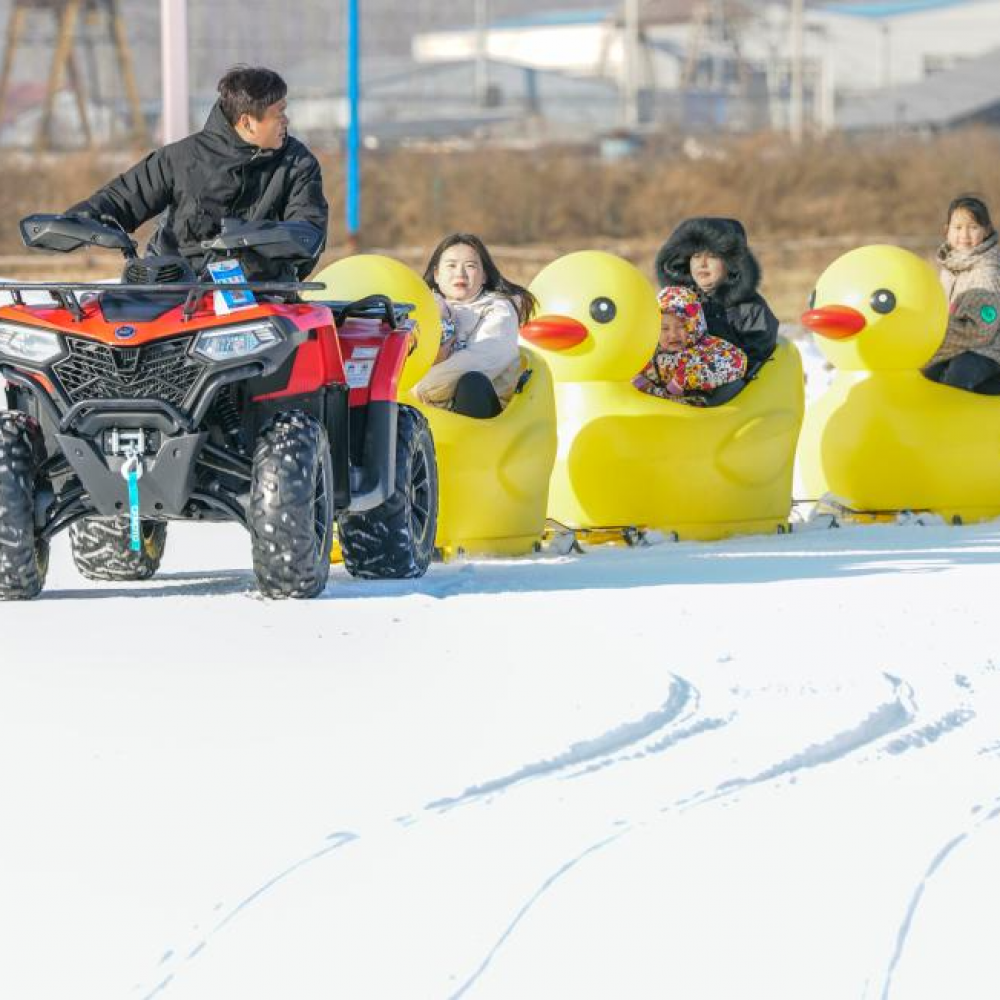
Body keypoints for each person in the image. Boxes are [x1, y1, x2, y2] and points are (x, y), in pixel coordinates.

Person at [65, 65, 328, 280]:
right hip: (173, 293)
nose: (286, 121)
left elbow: (308, 231)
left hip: (261, 298)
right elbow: (121, 199)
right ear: (247, 122)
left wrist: (250, 241)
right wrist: (73, 222)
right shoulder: (181, 158)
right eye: (278, 114)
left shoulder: (298, 163)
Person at [414, 234, 537, 419]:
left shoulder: (499, 309)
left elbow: (485, 358)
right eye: (451, 265)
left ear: (484, 276)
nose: (460, 273)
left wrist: (422, 387)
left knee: (472, 382)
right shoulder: (428, 309)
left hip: (482, 416)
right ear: (437, 275)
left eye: (470, 266)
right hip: (432, 413)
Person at [654, 217, 778, 386]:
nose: (702, 264)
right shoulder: (677, 303)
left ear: (732, 264)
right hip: (675, 381)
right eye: (696, 256)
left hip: (728, 389)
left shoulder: (750, 309)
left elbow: (757, 355)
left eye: (712, 256)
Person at [922, 195, 1000, 394]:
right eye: (958, 228)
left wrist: (938, 337)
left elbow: (982, 331)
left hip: (987, 350)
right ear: (946, 230)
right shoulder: (950, 267)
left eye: (973, 227)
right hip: (958, 345)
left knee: (957, 377)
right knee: (926, 374)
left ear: (986, 230)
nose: (964, 235)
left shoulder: (986, 272)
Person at [633, 286, 747, 405]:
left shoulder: (708, 347)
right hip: (663, 408)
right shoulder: (651, 352)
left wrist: (683, 379)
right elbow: (632, 368)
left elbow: (737, 361)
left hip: (700, 410)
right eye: (664, 328)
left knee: (733, 386)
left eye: (682, 326)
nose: (673, 335)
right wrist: (642, 382)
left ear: (695, 324)